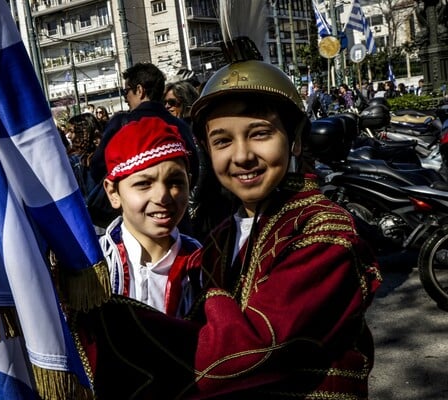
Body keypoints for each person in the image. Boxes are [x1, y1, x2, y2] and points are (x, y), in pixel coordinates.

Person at [76, 2, 381, 398]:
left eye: (259, 134)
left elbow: (251, 347)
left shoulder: (324, 230)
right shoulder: (218, 238)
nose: (241, 156)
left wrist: (102, 320)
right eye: (222, 141)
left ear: (296, 140)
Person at [100, 117, 201, 317]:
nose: (162, 197)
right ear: (113, 193)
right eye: (144, 184)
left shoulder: (203, 267)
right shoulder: (96, 267)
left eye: (175, 182)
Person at [88, 62, 201, 230]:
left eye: (127, 91)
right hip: (175, 221)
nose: (126, 98)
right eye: (143, 184)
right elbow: (194, 168)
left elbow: (97, 167)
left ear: (139, 90)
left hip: (133, 219)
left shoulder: (121, 124)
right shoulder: (180, 125)